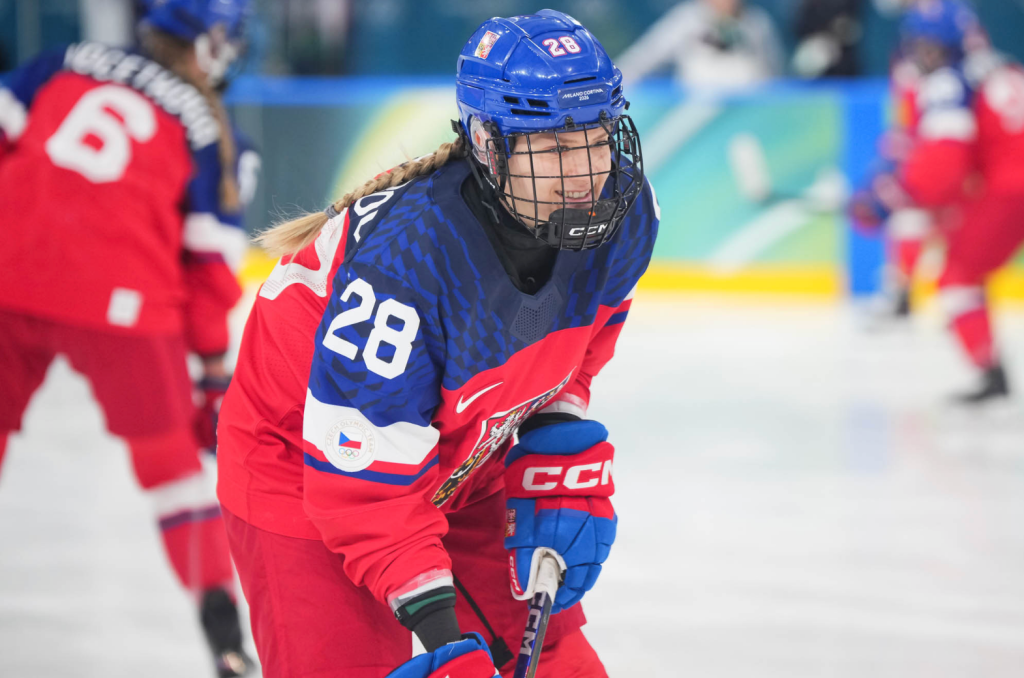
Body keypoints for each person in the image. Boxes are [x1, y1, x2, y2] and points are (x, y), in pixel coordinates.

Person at [216, 9, 658, 678]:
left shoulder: (622, 218)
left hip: (458, 454)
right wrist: (446, 642)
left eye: (596, 138)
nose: (587, 172)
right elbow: (360, 488)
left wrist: (552, 442)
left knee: (562, 664)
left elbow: (579, 350)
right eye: (558, 148)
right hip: (305, 472)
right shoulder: (409, 266)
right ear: (488, 143)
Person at [0, 0, 258, 674]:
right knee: (172, 473)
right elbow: (208, 273)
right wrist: (211, 378)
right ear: (207, 43)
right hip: (123, 303)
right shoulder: (213, 128)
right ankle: (222, 628)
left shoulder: (58, 61)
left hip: (8, 272)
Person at [854, 0, 1024, 403]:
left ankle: (990, 375)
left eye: (933, 47)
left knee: (957, 276)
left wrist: (891, 199)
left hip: (1010, 191)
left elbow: (943, 169)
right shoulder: (1001, 66)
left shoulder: (949, 82)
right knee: (951, 240)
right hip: (1003, 185)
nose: (925, 55)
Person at [616, 0, 785, 88]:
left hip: (746, 117)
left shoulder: (757, 25)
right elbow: (643, 57)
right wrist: (612, 85)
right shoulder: (685, 21)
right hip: (696, 120)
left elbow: (775, 77)